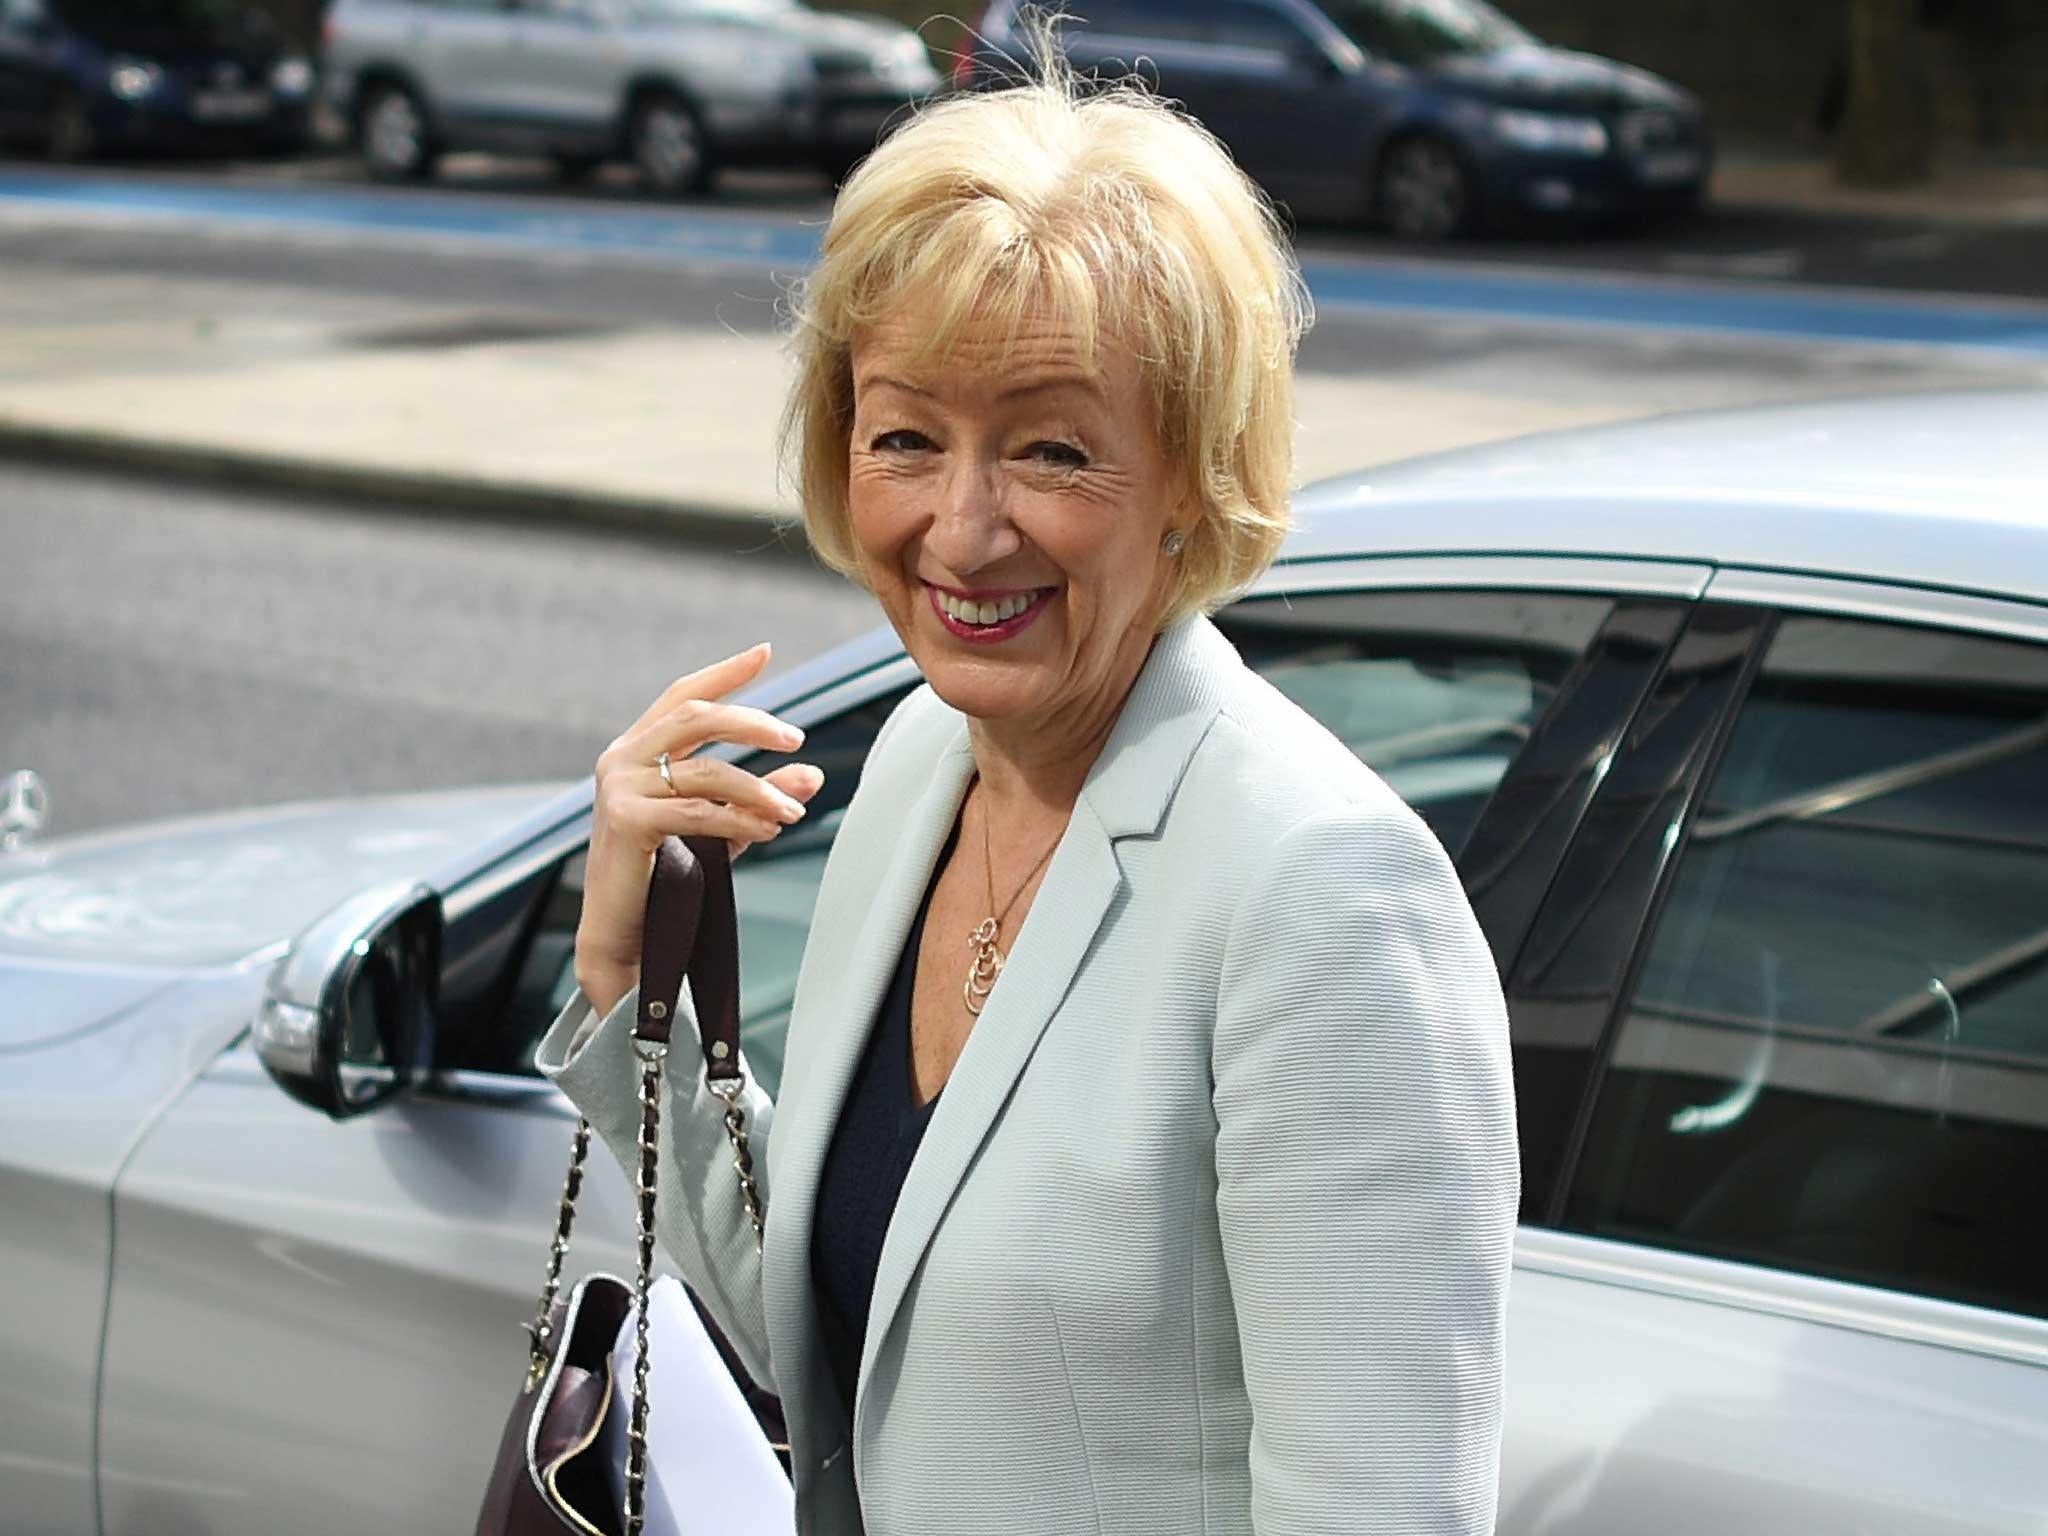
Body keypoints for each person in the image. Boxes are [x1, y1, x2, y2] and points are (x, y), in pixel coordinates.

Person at [538, 42, 1519, 1536]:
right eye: (908, 437)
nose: (963, 525)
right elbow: (838, 1339)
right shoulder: (924, 768)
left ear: (1192, 476)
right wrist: (625, 967)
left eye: (1053, 449)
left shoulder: (1320, 888)